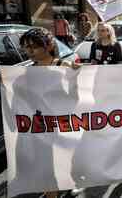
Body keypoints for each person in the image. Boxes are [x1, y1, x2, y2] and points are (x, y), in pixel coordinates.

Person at [19, 27, 80, 198]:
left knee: (64, 159)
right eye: (26, 46)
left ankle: (66, 184)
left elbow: (76, 95)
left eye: (33, 46)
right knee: (47, 164)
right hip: (41, 125)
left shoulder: (63, 65)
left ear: (48, 46)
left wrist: (76, 75)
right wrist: (7, 82)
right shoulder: (28, 70)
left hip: (62, 123)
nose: (29, 51)